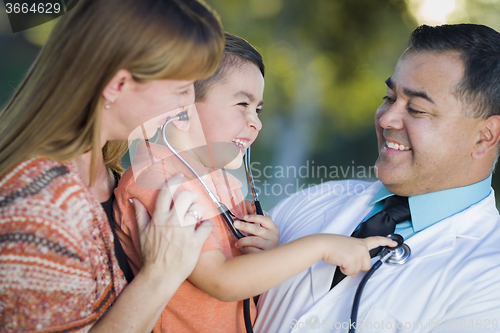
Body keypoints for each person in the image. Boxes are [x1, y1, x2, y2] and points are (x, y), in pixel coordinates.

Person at [114, 32, 396, 333]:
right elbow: (222, 280)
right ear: (181, 112)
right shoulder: (158, 181)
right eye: (242, 105)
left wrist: (266, 250)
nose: (256, 122)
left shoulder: (221, 183)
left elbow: (244, 280)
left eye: (257, 109)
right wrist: (323, 246)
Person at [254, 23, 500, 333]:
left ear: (484, 137)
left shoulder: (491, 280)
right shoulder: (313, 201)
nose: (386, 118)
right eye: (389, 97)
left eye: (417, 109)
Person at [0, 0, 225, 332]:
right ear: (117, 85)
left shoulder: (110, 170)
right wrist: (161, 274)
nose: (189, 102)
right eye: (180, 88)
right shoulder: (39, 210)